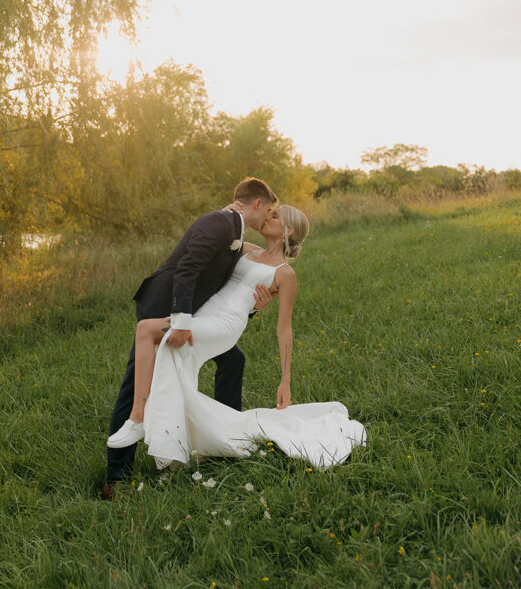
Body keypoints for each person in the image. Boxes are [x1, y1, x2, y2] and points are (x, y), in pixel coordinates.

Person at [108, 204, 367, 471]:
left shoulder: (285, 274)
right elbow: (221, 238)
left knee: (147, 330)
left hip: (225, 324)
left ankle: (138, 418)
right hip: (204, 314)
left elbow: (284, 329)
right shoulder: (246, 248)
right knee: (170, 354)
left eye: (275, 216)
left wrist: (285, 379)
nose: (268, 217)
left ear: (288, 230)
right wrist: (228, 211)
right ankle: (182, 436)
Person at [103, 177, 278, 498]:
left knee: (233, 360)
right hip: (164, 304)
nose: (268, 216)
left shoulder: (233, 231)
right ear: (257, 204)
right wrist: (182, 323)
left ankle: (227, 438)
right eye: (269, 209)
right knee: (135, 382)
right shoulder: (219, 223)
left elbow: (225, 287)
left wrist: (254, 308)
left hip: (190, 311)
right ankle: (115, 478)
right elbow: (187, 269)